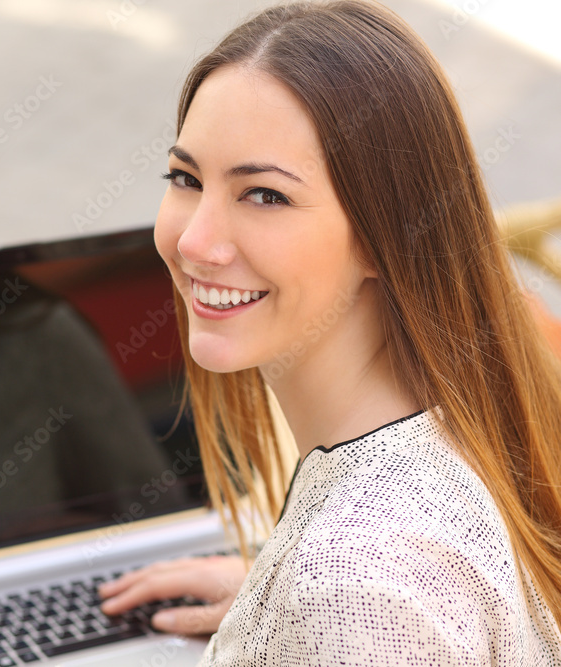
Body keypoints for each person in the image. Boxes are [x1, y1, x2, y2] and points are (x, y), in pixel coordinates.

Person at [98, 1, 561, 664]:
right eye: (185, 178)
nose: (195, 240)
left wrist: (324, 610)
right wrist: (266, 604)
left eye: (264, 194)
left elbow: (369, 589)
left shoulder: (354, 583)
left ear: (387, 236)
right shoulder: (468, 430)